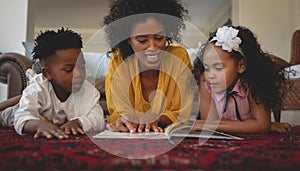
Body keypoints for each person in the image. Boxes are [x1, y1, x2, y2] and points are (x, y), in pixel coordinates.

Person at [103, 0, 195, 133]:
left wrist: (158, 118)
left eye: (159, 38)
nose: (153, 47)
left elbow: (182, 113)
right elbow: (118, 112)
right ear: (128, 39)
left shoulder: (179, 57)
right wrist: (125, 120)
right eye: (142, 40)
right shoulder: (119, 61)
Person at [0, 28, 105, 139]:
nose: (78, 74)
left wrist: (79, 122)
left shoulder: (88, 91)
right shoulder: (38, 88)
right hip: (23, 112)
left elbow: (98, 119)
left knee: (25, 98)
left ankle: (21, 98)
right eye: (69, 70)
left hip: (43, 107)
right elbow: (21, 117)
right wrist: (38, 125)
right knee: (7, 116)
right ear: (48, 73)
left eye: (82, 67)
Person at [192, 26, 292, 133]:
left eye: (218, 68)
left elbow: (261, 125)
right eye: (207, 68)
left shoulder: (254, 81)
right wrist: (253, 125)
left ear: (241, 66)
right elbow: (209, 122)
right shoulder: (205, 81)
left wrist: (262, 125)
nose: (211, 75)